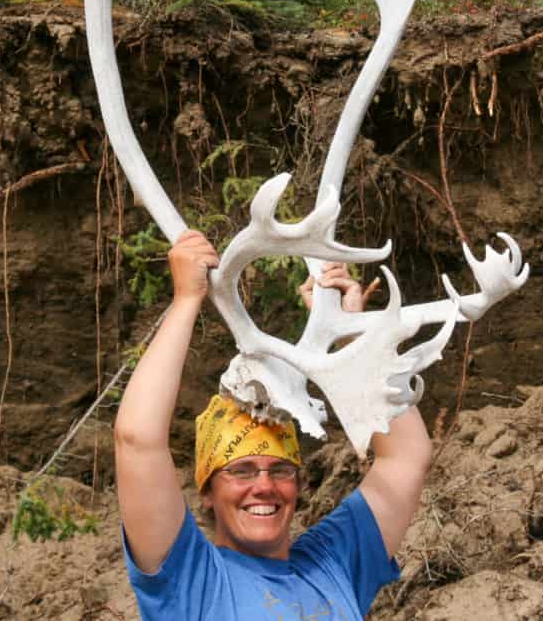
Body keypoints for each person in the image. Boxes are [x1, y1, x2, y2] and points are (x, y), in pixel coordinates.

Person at [115, 229, 433, 619]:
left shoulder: (333, 562)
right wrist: (185, 301)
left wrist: (352, 332)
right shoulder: (189, 579)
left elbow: (406, 458)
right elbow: (136, 439)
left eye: (280, 470)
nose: (263, 486)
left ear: (299, 483)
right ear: (207, 492)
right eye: (241, 470)